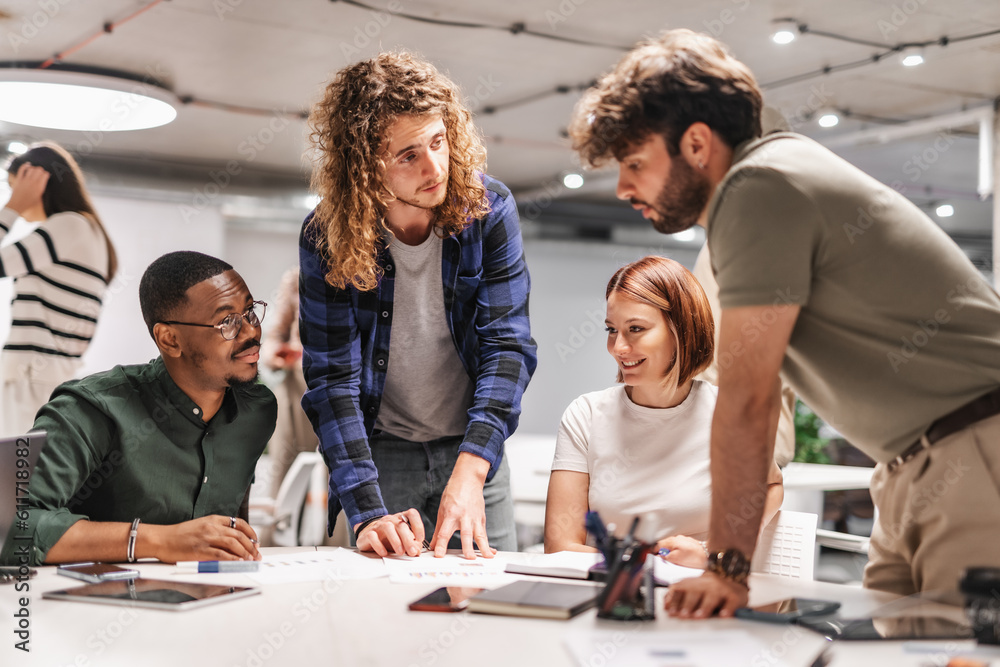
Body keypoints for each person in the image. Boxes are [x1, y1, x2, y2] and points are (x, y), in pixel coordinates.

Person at [568, 28, 1000, 616]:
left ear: (696, 143)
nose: (622, 188)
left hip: (974, 449)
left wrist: (727, 568)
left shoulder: (758, 188)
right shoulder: (764, 186)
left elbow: (748, 401)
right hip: (912, 463)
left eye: (635, 163)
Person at [300, 52, 537, 560]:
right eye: (408, 155)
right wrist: (365, 511)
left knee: (486, 607)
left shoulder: (487, 211)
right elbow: (332, 379)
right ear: (364, 167)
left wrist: (473, 470)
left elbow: (508, 346)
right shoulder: (327, 237)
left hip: (473, 448)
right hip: (380, 457)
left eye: (438, 141)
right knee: (381, 614)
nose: (435, 168)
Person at [14, 251, 276, 565]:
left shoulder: (257, 410)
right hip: (91, 607)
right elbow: (13, 525)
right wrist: (156, 540)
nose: (251, 332)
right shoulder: (91, 410)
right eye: (227, 322)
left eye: (249, 312)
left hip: (212, 602)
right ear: (169, 339)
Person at [544, 256, 782, 566]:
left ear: (681, 331)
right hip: (609, 595)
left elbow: (770, 486)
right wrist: (651, 564)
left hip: (697, 596)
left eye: (635, 329)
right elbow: (560, 546)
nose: (618, 347)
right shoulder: (585, 415)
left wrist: (718, 553)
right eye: (611, 330)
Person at [0, 142, 118, 436]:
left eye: (16, 187)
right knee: (27, 476)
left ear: (39, 183)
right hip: (44, 378)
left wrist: (12, 208)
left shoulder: (70, 226)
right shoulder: (85, 229)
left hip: (29, 378)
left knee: (18, 477)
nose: (14, 195)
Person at [260, 267, 320, 500]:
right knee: (285, 475)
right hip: (297, 385)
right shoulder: (297, 277)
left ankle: (337, 538)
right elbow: (275, 336)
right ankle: (277, 534)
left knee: (343, 474)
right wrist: (274, 353)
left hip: (344, 385)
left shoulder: (363, 272)